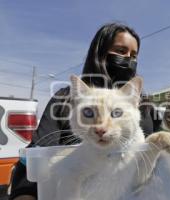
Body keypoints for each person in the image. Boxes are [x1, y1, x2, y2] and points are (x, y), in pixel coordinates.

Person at [9, 22, 161, 200]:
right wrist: (24, 193)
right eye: (121, 51)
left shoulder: (146, 106)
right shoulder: (66, 97)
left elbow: (168, 150)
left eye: (134, 55)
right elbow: (37, 152)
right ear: (101, 52)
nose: (128, 59)